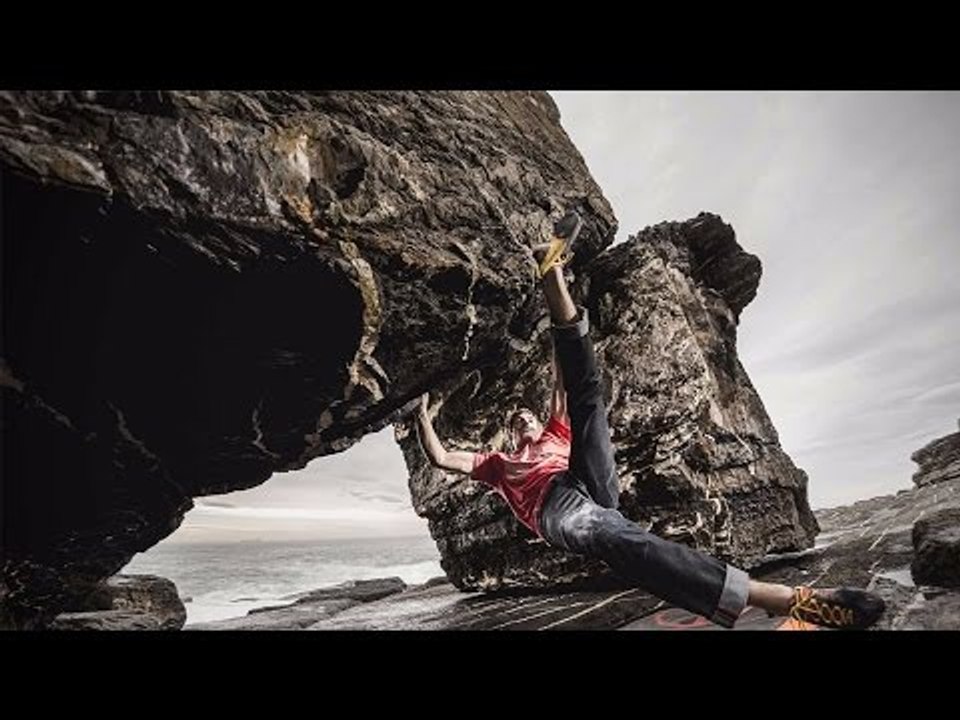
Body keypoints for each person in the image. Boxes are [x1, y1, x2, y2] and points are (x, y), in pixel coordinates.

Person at [416, 210, 886, 630]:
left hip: (585, 480)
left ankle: (549, 272)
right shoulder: (498, 465)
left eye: (525, 413)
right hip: (553, 510)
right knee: (613, 535)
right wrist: (418, 415)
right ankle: (785, 601)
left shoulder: (555, 431)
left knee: (586, 392)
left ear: (535, 422)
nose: (521, 418)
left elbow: (571, 374)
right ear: (511, 433)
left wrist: (560, 295)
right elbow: (440, 457)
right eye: (514, 419)